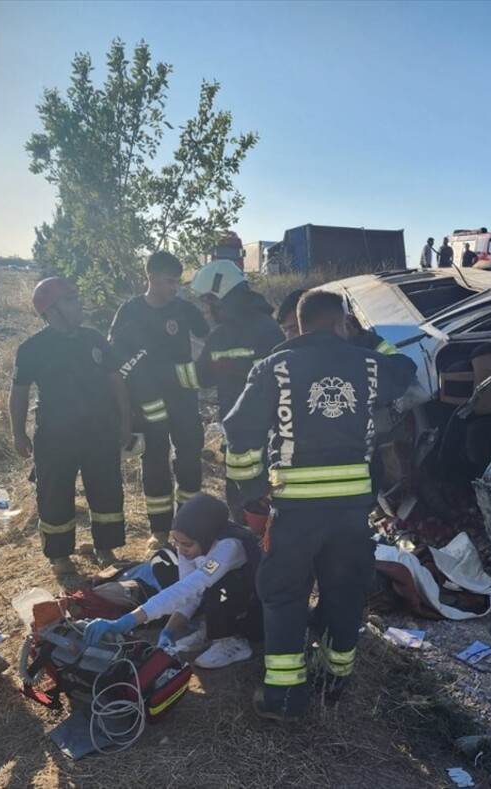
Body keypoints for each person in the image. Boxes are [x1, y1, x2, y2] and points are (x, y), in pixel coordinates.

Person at [223, 290, 417, 720]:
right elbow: (406, 368)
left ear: (298, 323)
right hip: (350, 511)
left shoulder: (274, 366)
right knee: (344, 590)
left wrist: (249, 488)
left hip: (294, 512)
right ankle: (335, 680)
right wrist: (367, 338)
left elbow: (238, 430)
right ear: (339, 323)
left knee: (284, 595)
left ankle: (286, 698)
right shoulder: (368, 363)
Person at [11, 277, 131, 580]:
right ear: (51, 310)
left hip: (99, 432)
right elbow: (20, 392)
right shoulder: (32, 349)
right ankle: (60, 557)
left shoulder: (93, 339)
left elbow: (116, 380)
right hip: (54, 436)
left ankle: (106, 549)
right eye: (71, 299)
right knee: (54, 495)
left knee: (107, 491)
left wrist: (126, 420)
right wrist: (18, 432)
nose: (79, 304)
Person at [83, 493, 263, 670]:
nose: (181, 549)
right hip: (218, 594)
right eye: (176, 541)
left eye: (187, 544)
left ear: (206, 536)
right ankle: (209, 630)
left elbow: (191, 587)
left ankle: (232, 641)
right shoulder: (192, 544)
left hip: (252, 611)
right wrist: (169, 630)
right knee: (179, 574)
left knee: (220, 585)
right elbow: (188, 594)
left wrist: (128, 621)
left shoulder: (229, 547)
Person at [108, 252, 211, 550]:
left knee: (190, 458)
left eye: (178, 282)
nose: (174, 288)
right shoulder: (130, 311)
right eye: (169, 281)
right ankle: (160, 531)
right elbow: (116, 355)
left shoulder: (184, 309)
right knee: (154, 461)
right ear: (150, 277)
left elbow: (210, 340)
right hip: (147, 402)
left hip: (184, 400)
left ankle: (187, 525)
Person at [187, 260, 285, 516]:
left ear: (220, 296)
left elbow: (200, 377)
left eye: (206, 301)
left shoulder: (225, 335)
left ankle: (247, 536)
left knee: (245, 502)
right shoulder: (269, 327)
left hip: (242, 431)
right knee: (270, 500)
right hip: (275, 431)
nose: (204, 309)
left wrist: (159, 375)